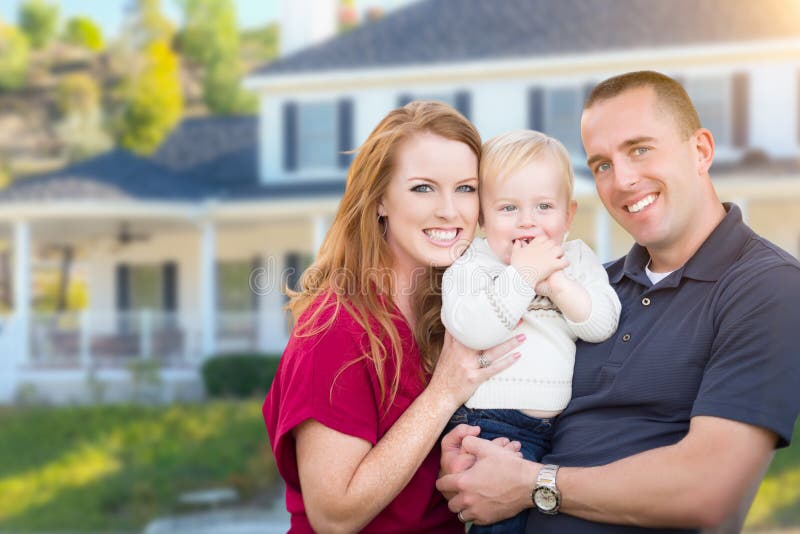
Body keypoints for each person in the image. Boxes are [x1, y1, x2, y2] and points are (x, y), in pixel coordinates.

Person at [437, 70, 800, 533]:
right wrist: (470, 452)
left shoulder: (767, 286)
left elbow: (710, 492)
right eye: (602, 164)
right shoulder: (591, 286)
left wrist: (533, 484)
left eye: (640, 149)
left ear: (701, 151)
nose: (623, 179)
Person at [262, 101, 525, 533]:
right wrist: (443, 395)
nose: (450, 211)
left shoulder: (462, 310)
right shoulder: (335, 328)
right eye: (423, 188)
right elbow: (334, 515)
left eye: (465, 188)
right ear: (381, 198)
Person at [440, 130, 621, 533]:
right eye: (508, 207)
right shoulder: (472, 265)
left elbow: (602, 324)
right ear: (482, 218)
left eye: (544, 206)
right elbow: (472, 329)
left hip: (561, 430)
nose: (527, 220)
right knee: (500, 523)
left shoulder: (574, 260)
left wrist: (556, 283)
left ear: (568, 216)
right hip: (490, 425)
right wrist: (523, 276)